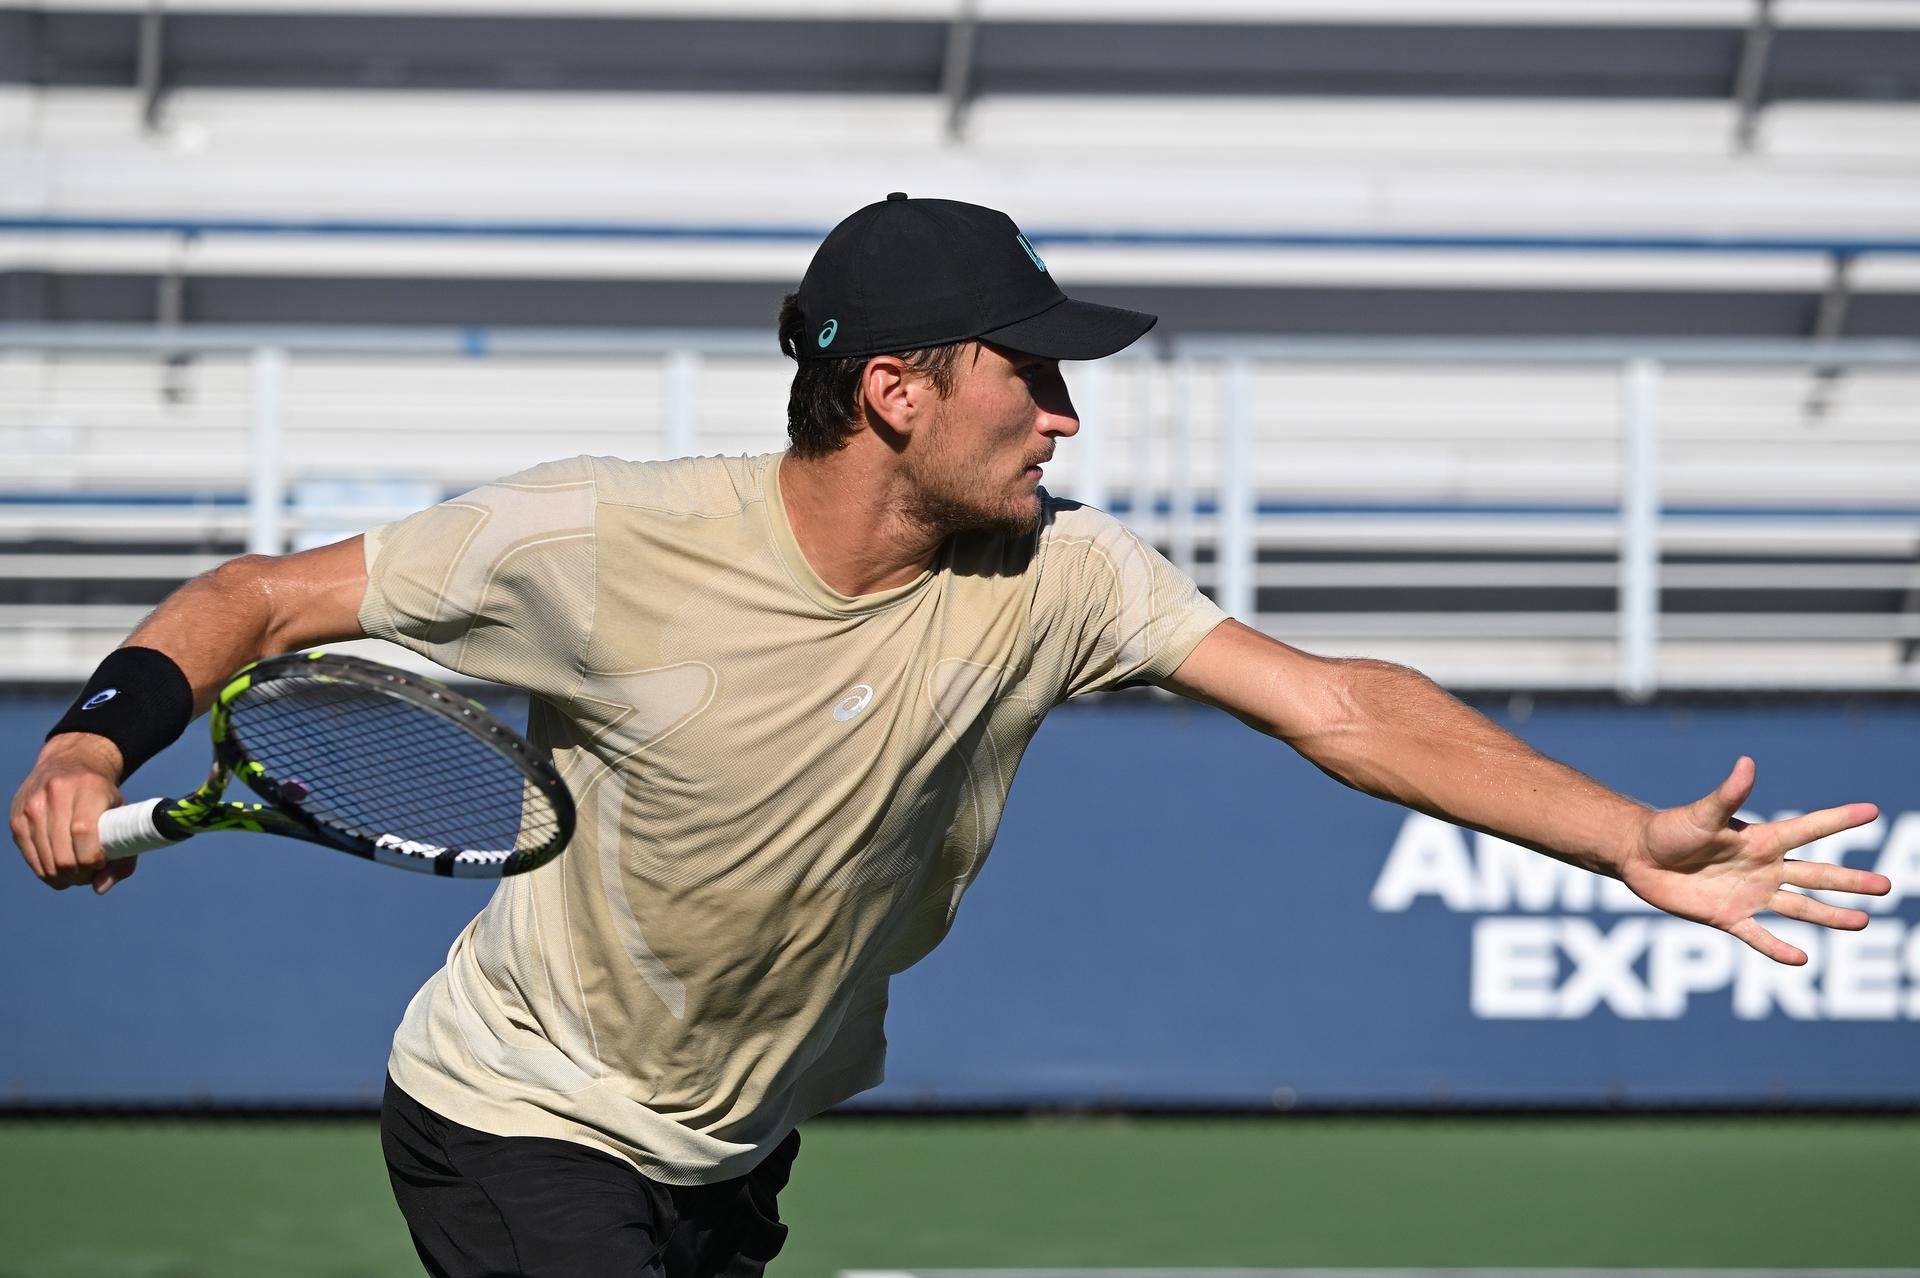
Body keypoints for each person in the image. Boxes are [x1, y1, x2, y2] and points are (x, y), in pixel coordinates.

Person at [11, 194, 1892, 1277]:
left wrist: (1616, 834)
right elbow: (252, 600)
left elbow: (1338, 706)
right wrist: (99, 743)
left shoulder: (1055, 579)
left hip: (731, 1145)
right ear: (896, 392)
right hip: (519, 1117)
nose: (1069, 417)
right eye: (1036, 371)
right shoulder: (599, 539)